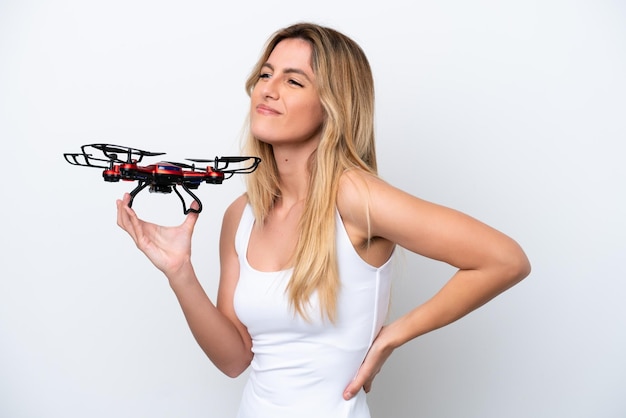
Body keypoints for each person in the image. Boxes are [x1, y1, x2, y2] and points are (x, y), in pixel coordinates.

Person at [116, 22, 531, 418]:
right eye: (265, 74)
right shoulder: (241, 215)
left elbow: (504, 259)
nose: (269, 90)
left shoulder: (354, 197)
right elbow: (234, 359)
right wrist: (180, 272)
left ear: (333, 104)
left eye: (293, 81)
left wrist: (394, 335)